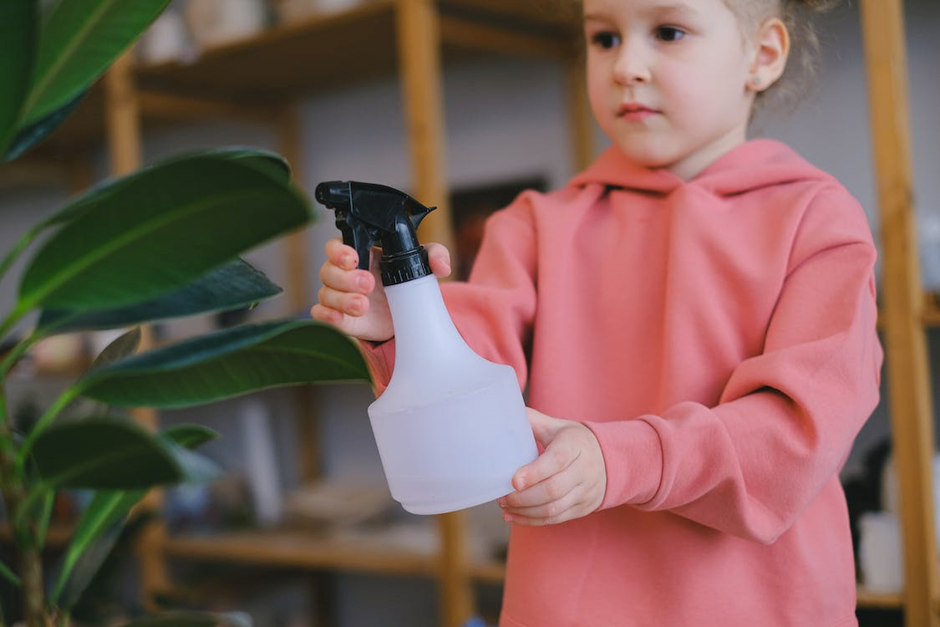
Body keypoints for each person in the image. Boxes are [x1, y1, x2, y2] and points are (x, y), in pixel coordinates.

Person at [311, 0, 882, 624]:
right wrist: (406, 327)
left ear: (763, 54)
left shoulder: (818, 221)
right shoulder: (532, 226)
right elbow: (471, 388)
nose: (626, 65)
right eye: (604, 38)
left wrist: (620, 461)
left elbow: (795, 435)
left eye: (668, 31)